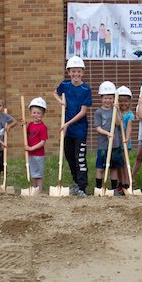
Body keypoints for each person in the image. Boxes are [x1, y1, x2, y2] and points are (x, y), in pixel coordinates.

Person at [54, 56, 92, 196]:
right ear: (68, 72)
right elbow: (55, 93)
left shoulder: (85, 89)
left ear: (82, 72)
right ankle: (76, 182)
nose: (76, 74)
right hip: (67, 130)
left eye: (78, 71)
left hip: (79, 130)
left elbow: (83, 111)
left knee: (79, 157)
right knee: (69, 156)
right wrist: (60, 101)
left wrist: (67, 123)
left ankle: (82, 186)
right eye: (73, 71)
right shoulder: (65, 85)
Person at [93, 81, 124, 194]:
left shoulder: (116, 110)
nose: (108, 101)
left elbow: (118, 123)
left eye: (110, 98)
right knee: (100, 167)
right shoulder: (98, 112)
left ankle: (114, 189)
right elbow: (97, 127)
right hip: (103, 145)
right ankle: (99, 188)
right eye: (105, 98)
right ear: (101, 98)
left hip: (115, 145)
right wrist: (107, 133)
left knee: (113, 168)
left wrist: (116, 111)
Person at [26, 97, 49, 194]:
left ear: (43, 114)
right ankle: (34, 189)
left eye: (38, 113)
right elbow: (26, 135)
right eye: (34, 112)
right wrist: (23, 125)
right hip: (30, 154)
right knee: (32, 173)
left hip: (38, 154)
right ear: (31, 113)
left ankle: (39, 191)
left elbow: (42, 142)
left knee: (38, 174)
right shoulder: (30, 125)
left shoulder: (43, 127)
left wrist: (31, 148)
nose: (36, 115)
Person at [117, 86, 134, 193]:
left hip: (125, 142)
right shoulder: (116, 113)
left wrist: (127, 138)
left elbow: (129, 127)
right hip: (116, 142)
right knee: (118, 164)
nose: (124, 104)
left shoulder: (130, 115)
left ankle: (128, 183)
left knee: (125, 163)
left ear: (129, 102)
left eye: (126, 101)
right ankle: (120, 182)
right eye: (121, 101)